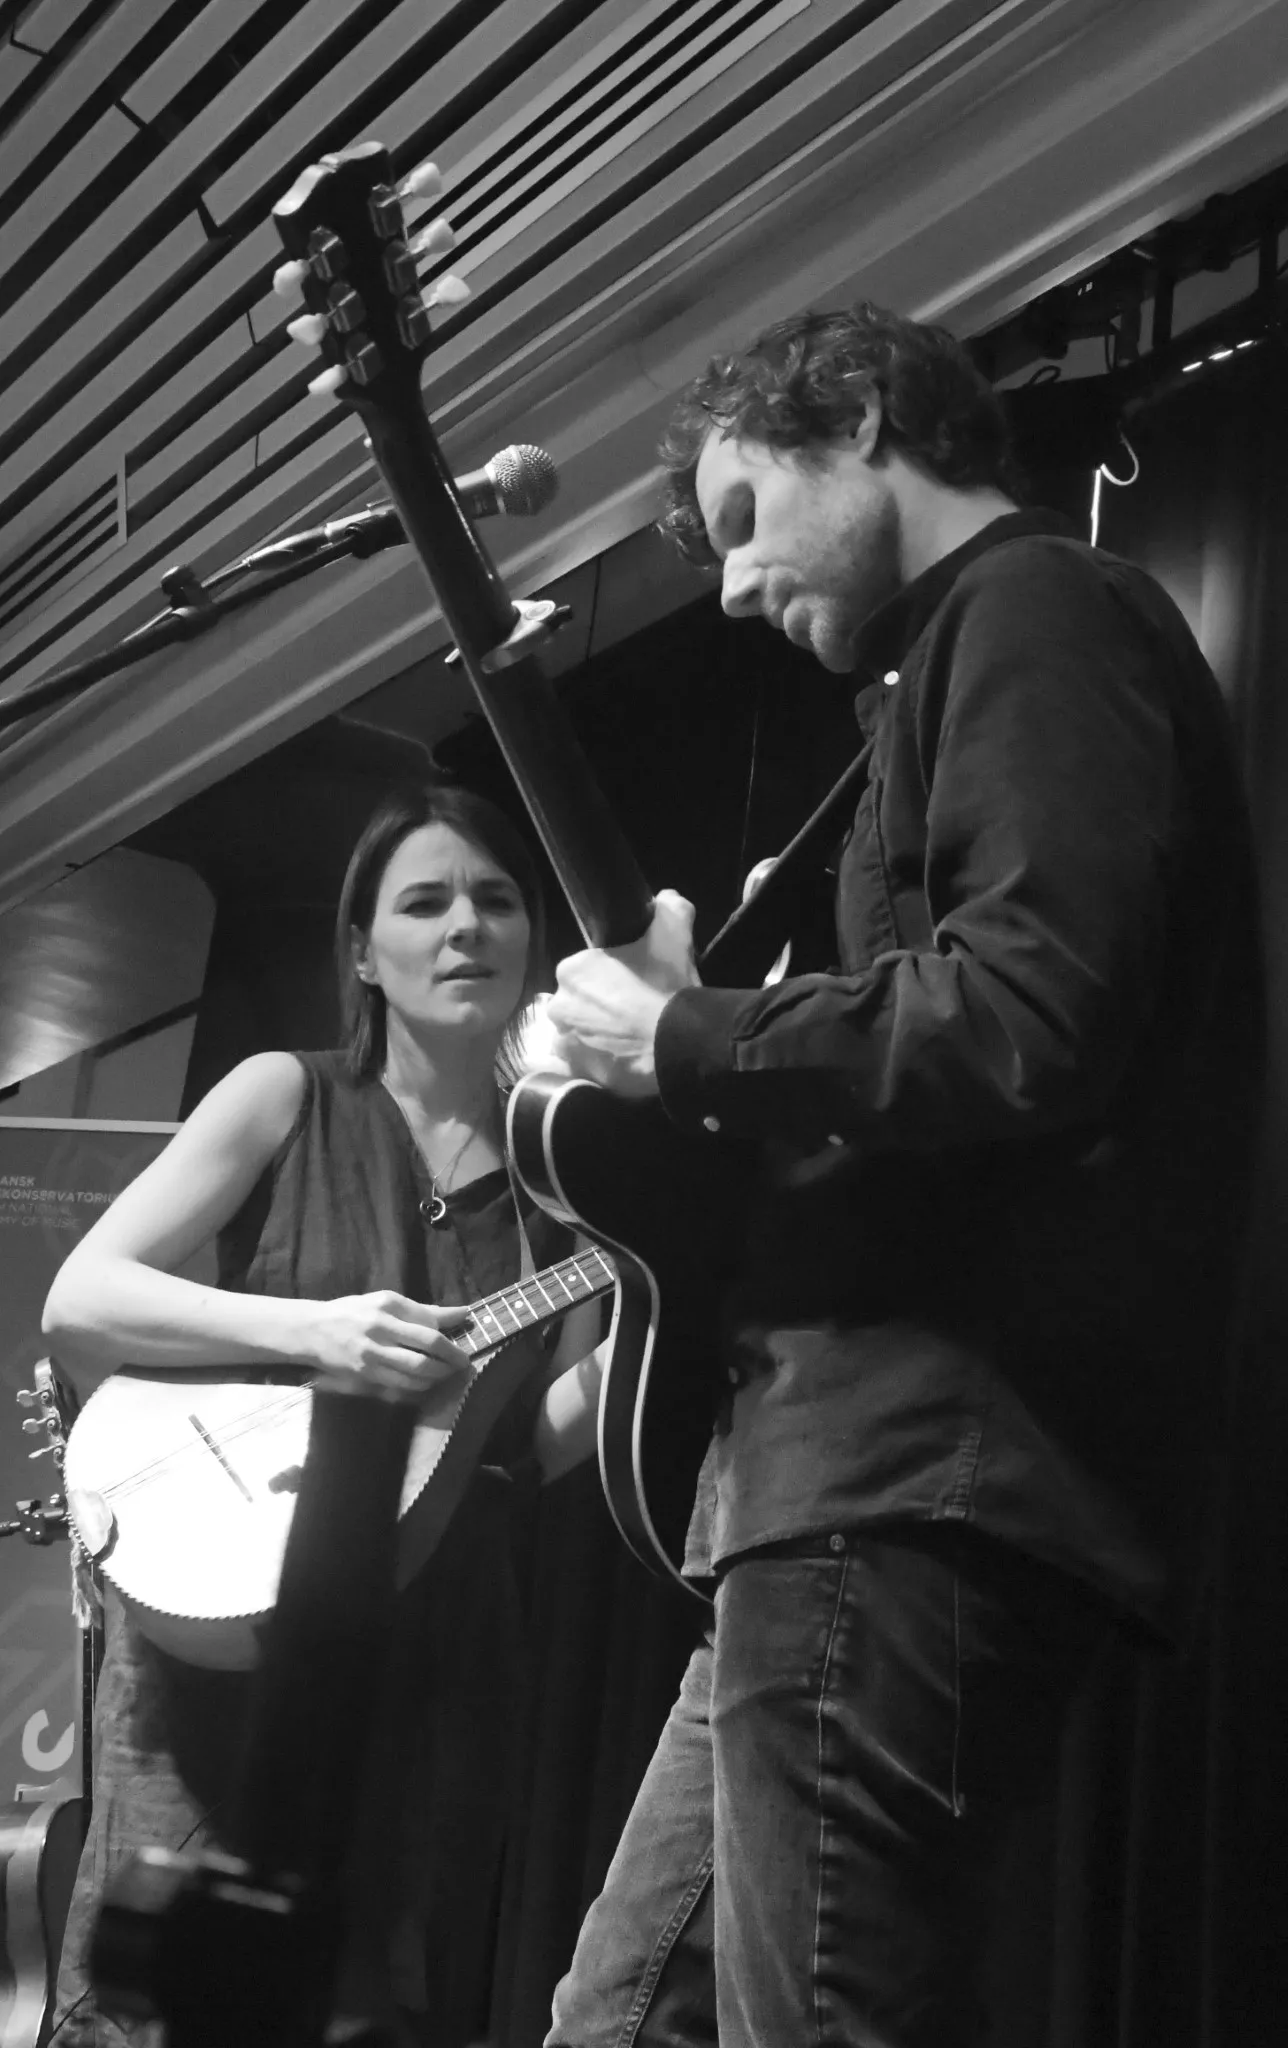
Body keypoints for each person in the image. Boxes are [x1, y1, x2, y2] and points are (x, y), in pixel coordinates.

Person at [539, 304, 1265, 2045]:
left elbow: (1026, 1012)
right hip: (835, 1483)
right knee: (616, 2022)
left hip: (909, 1471)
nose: (729, 587)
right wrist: (708, 1022)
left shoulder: (1034, 608)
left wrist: (689, 1036)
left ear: (860, 415)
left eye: (739, 519)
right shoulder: (951, 670)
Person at [42, 781, 607, 2048]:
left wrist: (665, 1305)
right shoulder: (281, 1094)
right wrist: (315, 1331)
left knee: (372, 2008)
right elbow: (83, 1299)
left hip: (442, 1647)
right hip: (226, 1611)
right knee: (157, 2004)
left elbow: (537, 1444)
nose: (466, 925)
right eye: (425, 900)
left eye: (496, 898)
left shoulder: (567, 1188)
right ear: (362, 950)